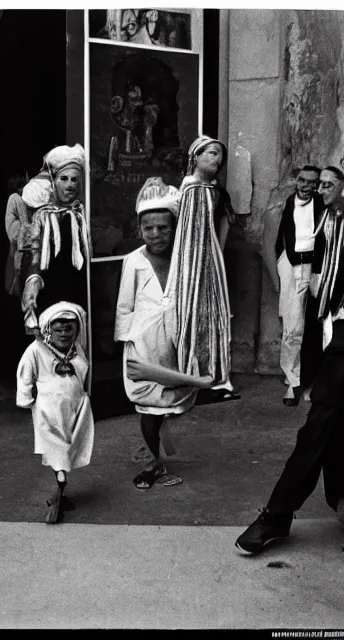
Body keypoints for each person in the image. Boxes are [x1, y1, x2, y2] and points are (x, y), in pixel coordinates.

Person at [235, 166, 344, 555]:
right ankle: (284, 512)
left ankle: (285, 513)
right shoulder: (332, 219)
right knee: (321, 424)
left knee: (326, 426)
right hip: (340, 332)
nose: (322, 190)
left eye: (329, 185)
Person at [114, 177, 214, 490]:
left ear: (174, 228)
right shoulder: (134, 261)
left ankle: (155, 448)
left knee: (171, 399)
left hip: (176, 341)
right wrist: (124, 341)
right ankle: (152, 464)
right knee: (147, 405)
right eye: (149, 228)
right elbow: (124, 305)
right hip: (144, 344)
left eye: (163, 227)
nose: (156, 234)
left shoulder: (186, 261)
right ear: (140, 230)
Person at [169, 135, 239, 400]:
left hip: (210, 263)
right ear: (195, 157)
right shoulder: (188, 189)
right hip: (188, 261)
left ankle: (216, 376)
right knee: (189, 311)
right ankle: (189, 374)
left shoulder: (217, 192)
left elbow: (224, 223)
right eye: (209, 153)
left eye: (219, 154)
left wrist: (216, 254)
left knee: (213, 315)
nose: (215, 158)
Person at [16, 301, 94, 524]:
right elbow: (24, 374)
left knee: (70, 448)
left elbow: (83, 371)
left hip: (75, 408)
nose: (64, 334)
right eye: (58, 329)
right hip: (48, 411)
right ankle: (59, 488)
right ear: (48, 329)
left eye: (69, 329)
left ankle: (61, 486)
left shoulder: (77, 349)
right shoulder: (36, 350)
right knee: (57, 452)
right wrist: (25, 398)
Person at [17, 144, 90, 334]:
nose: (70, 184)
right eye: (64, 179)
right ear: (54, 182)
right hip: (50, 290)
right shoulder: (42, 217)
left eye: (74, 179)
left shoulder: (82, 215)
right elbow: (31, 255)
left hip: (77, 289)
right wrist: (33, 280)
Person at [275, 165, 325, 406]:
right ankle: (292, 382)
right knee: (292, 327)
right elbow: (281, 237)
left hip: (315, 269)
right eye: (302, 181)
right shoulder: (288, 202)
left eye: (311, 182)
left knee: (317, 327)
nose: (306, 186)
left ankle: (315, 380)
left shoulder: (322, 204)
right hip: (292, 267)